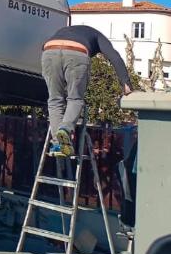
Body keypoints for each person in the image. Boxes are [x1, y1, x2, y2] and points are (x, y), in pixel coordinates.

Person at [41, 24, 133, 157]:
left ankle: (57, 144)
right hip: (76, 52)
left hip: (49, 50)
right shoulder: (98, 36)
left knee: (55, 100)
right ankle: (65, 129)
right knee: (75, 98)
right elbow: (114, 57)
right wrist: (126, 84)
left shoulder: (64, 30)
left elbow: (43, 46)